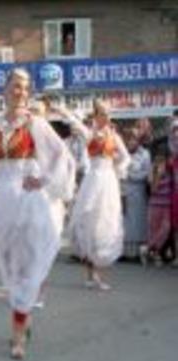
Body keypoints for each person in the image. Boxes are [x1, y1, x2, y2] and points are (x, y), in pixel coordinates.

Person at [0, 69, 73, 360]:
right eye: (15, 86)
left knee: (29, 264)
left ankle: (18, 334)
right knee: (10, 265)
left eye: (24, 87)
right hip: (3, 199)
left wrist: (45, 180)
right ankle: (23, 315)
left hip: (29, 200)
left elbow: (61, 154)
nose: (20, 91)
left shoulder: (36, 123)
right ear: (5, 88)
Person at [66, 100, 130, 290]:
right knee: (88, 223)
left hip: (108, 180)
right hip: (93, 179)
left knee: (105, 223)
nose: (106, 117)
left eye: (108, 113)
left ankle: (98, 273)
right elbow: (75, 123)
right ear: (96, 116)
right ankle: (91, 273)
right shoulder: (90, 133)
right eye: (102, 113)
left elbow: (126, 157)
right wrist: (64, 111)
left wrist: (117, 168)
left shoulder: (114, 136)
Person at [122, 128, 152, 261]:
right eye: (128, 139)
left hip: (138, 190)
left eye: (133, 139)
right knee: (125, 221)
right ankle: (124, 252)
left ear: (137, 140)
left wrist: (131, 176)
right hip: (124, 190)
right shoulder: (123, 153)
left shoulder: (145, 154)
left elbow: (147, 172)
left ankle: (137, 254)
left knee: (138, 222)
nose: (130, 142)